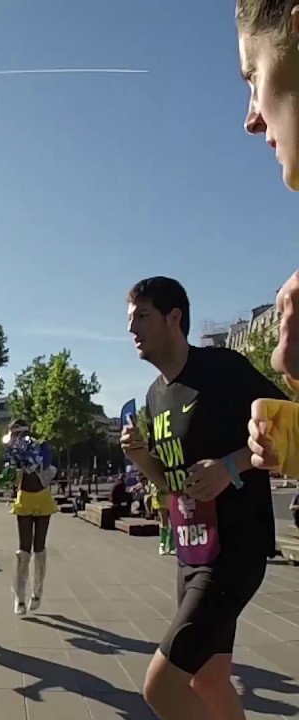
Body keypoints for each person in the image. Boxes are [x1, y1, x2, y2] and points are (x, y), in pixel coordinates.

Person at [122, 276, 284, 720]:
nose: (132, 329)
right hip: (190, 551)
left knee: (160, 689)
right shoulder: (155, 397)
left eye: (142, 316)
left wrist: (231, 467)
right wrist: (140, 457)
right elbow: (172, 484)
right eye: (129, 319)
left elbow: (290, 427)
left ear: (175, 318)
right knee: (208, 679)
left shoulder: (223, 369)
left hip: (235, 550)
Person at [3, 420, 59, 616]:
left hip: (42, 497)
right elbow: (9, 475)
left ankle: (37, 593)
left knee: (40, 547)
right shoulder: (12, 451)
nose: (16, 438)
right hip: (25, 498)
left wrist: (31, 458)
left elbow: (47, 466)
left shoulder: (41, 445)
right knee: (24, 548)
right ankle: (19, 597)